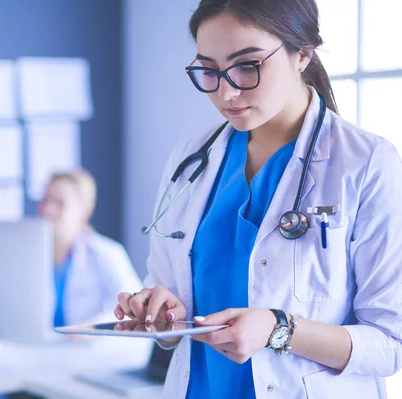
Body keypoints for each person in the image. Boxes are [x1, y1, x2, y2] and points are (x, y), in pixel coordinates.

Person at [114, 1, 402, 398]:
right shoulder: (190, 158)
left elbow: (390, 345)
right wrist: (162, 315)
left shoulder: (367, 164)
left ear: (301, 54)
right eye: (209, 71)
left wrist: (277, 328)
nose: (226, 92)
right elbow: (171, 305)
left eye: (247, 66)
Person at [38, 169, 142, 327]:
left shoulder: (106, 253)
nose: (48, 210)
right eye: (45, 201)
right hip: (38, 348)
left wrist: (92, 327)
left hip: (89, 348)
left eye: (60, 203)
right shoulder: (29, 255)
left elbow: (134, 312)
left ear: (84, 210)